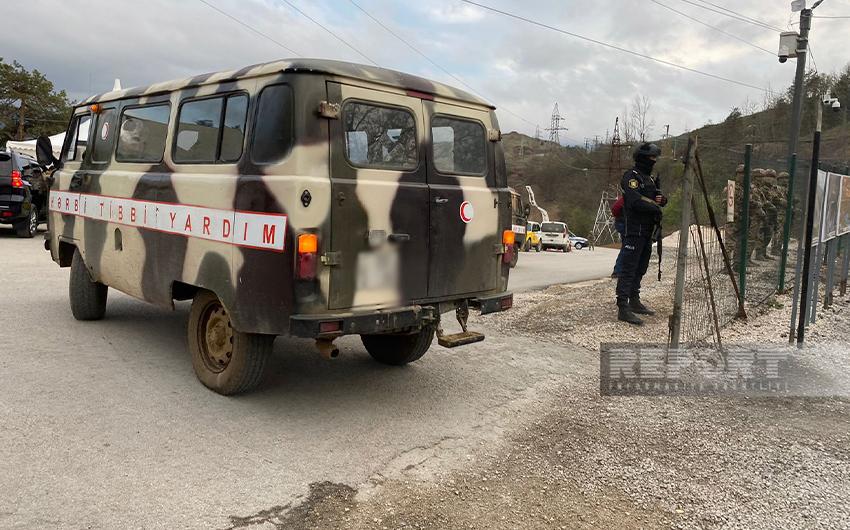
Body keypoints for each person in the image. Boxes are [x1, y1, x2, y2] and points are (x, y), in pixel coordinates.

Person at [616, 143, 667, 326]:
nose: (654, 161)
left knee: (641, 266)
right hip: (634, 229)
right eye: (651, 158)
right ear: (642, 158)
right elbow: (634, 201)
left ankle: (634, 300)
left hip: (647, 230)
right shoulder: (632, 176)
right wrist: (655, 206)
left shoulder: (650, 179)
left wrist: (662, 200)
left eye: (655, 158)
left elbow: (655, 199)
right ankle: (623, 306)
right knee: (628, 268)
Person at [611, 195, 626, 278]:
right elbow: (615, 209)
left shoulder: (625, 198)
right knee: (626, 248)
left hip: (622, 223)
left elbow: (615, 210)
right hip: (625, 224)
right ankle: (618, 271)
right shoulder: (627, 198)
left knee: (625, 247)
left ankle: (619, 270)